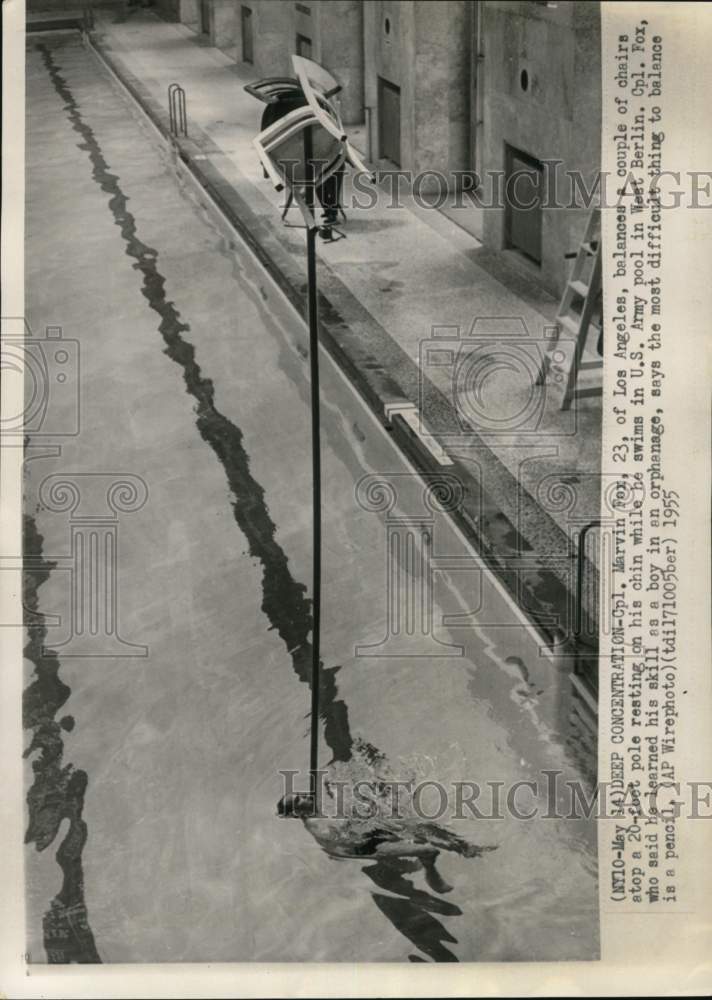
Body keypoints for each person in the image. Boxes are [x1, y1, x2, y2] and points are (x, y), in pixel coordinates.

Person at [277, 792, 495, 894]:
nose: (304, 796)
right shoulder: (315, 824)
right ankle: (431, 874)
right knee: (427, 850)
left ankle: (466, 848)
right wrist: (358, 818)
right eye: (298, 800)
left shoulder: (316, 808)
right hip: (367, 846)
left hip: (371, 831)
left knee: (424, 825)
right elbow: (340, 838)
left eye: (299, 794)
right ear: (296, 813)